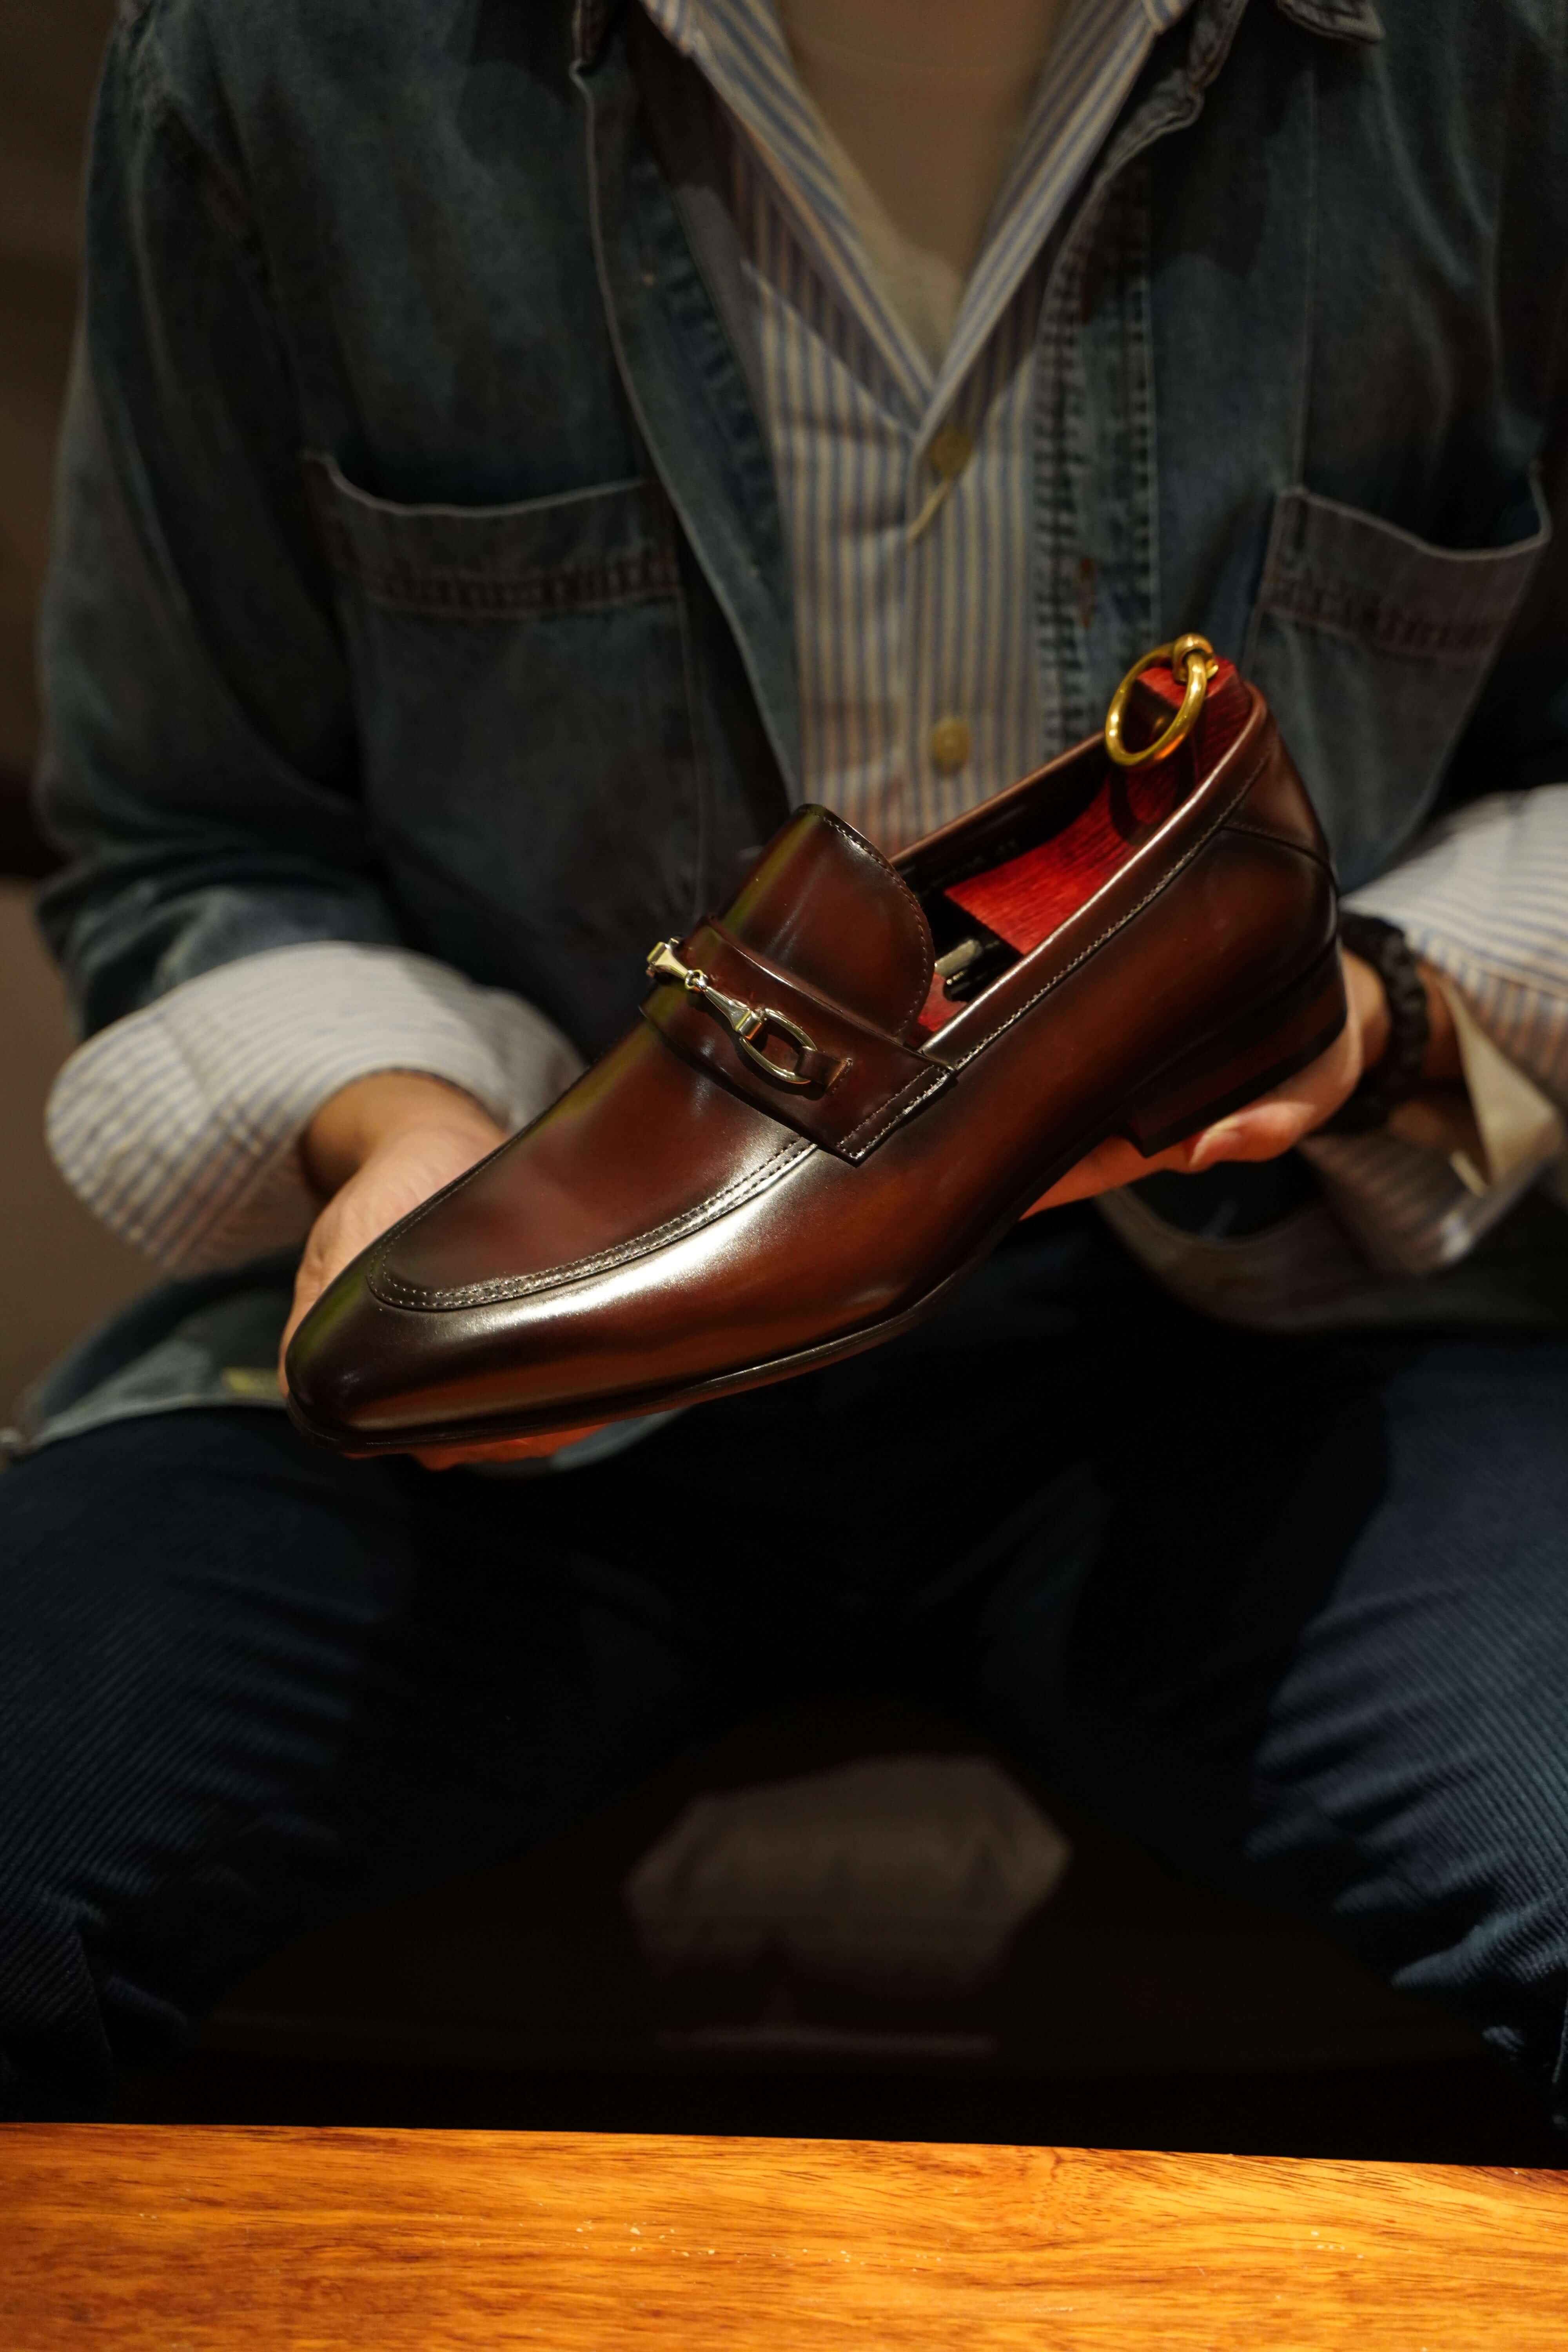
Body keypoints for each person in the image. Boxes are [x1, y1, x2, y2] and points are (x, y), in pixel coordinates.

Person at [3, 0, 1566, 2120]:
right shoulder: (295, 57)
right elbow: (194, 828)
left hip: (1253, 1342)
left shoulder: (1483, 53)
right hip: (558, 1326)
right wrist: (409, 1129)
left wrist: (1380, 1007)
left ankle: (1211, 952)